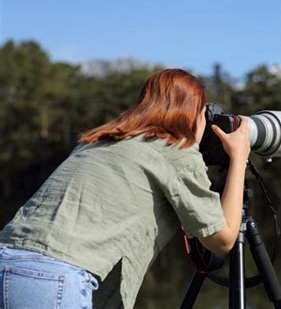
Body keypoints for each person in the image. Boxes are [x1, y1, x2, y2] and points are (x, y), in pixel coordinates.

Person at [0, 68, 250, 308]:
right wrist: (239, 157)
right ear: (193, 114)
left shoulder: (99, 140)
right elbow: (223, 240)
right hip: (50, 277)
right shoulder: (176, 149)